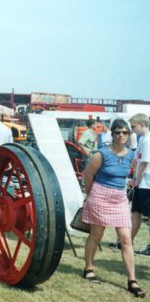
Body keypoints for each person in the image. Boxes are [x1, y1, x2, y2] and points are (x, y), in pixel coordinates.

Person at [81, 118, 144, 297]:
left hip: (119, 198)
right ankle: (88, 268)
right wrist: (90, 195)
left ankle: (132, 280)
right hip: (100, 195)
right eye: (118, 132)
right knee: (96, 235)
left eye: (125, 132)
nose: (121, 135)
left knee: (126, 239)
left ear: (129, 134)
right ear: (113, 134)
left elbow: (127, 174)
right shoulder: (100, 154)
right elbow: (87, 176)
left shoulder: (131, 155)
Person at [129, 114, 150, 256]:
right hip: (140, 184)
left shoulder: (148, 140)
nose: (132, 129)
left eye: (133, 126)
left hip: (147, 184)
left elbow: (144, 163)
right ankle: (126, 241)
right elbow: (137, 159)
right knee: (135, 213)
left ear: (142, 124)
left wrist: (136, 180)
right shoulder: (142, 139)